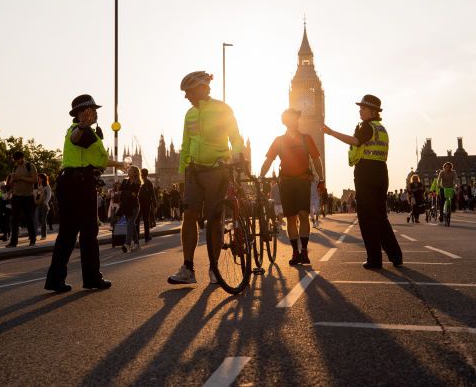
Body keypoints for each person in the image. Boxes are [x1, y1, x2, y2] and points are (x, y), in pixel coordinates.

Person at [168, 71, 245, 285]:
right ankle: (188, 268)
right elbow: (185, 145)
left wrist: (236, 156)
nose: (186, 96)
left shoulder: (222, 109)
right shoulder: (189, 114)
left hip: (217, 169)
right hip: (194, 171)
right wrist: (182, 173)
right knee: (189, 216)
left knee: (214, 218)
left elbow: (235, 138)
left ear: (203, 88)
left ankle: (214, 268)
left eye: (189, 92)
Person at [45, 94, 118, 292]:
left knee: (67, 234)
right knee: (88, 233)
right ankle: (92, 278)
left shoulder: (88, 133)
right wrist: (83, 126)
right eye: (90, 110)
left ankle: (55, 280)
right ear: (81, 113)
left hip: (72, 183)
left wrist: (117, 164)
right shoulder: (80, 131)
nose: (94, 113)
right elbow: (75, 138)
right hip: (79, 185)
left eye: (94, 110)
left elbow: (96, 159)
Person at [324, 94, 402, 270]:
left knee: (366, 217)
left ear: (372, 111)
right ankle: (395, 255)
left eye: (363, 108)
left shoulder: (366, 126)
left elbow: (355, 141)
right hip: (381, 172)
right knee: (381, 217)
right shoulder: (381, 128)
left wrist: (331, 132)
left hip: (366, 173)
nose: (360, 110)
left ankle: (374, 259)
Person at [259, 108, 323, 265]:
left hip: (303, 181)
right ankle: (295, 252)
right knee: (291, 218)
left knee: (303, 214)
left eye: (295, 118)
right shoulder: (279, 140)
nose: (293, 121)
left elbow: (316, 159)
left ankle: (304, 252)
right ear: (285, 122)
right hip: (286, 182)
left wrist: (321, 178)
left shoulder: (306, 138)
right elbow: (269, 160)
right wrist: (261, 176)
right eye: (290, 118)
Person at [7, 151, 38, 248]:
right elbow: (10, 184)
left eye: (18, 159)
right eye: (15, 160)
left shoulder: (30, 166)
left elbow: (34, 180)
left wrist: (20, 178)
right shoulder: (15, 167)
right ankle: (13, 242)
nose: (16, 162)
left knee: (29, 218)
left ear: (22, 158)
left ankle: (32, 239)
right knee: (14, 219)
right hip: (16, 196)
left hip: (27, 196)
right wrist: (12, 180)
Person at [138, 168, 156, 244]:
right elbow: (153, 194)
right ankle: (147, 237)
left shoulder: (138, 182)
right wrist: (155, 203)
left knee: (137, 221)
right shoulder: (149, 182)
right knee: (146, 221)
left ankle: (137, 238)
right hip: (147, 204)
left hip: (138, 204)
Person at [34, 173, 52, 240]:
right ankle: (34, 235)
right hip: (38, 204)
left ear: (42, 178)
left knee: (43, 220)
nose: (38, 179)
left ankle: (43, 235)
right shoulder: (38, 186)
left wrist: (45, 202)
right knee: (35, 219)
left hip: (44, 205)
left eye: (39, 178)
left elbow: (49, 196)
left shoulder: (47, 186)